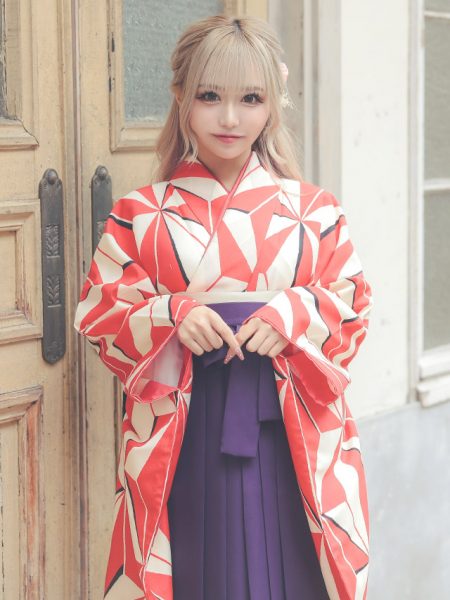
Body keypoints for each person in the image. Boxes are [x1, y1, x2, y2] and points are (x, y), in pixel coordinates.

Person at [74, 14, 374, 600]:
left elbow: (351, 300)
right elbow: (101, 308)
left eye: (250, 99)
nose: (230, 118)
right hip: (187, 425)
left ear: (272, 105)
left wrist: (293, 314)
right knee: (199, 573)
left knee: (295, 572)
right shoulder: (140, 213)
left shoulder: (314, 210)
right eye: (210, 96)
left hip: (289, 426)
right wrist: (172, 314)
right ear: (180, 96)